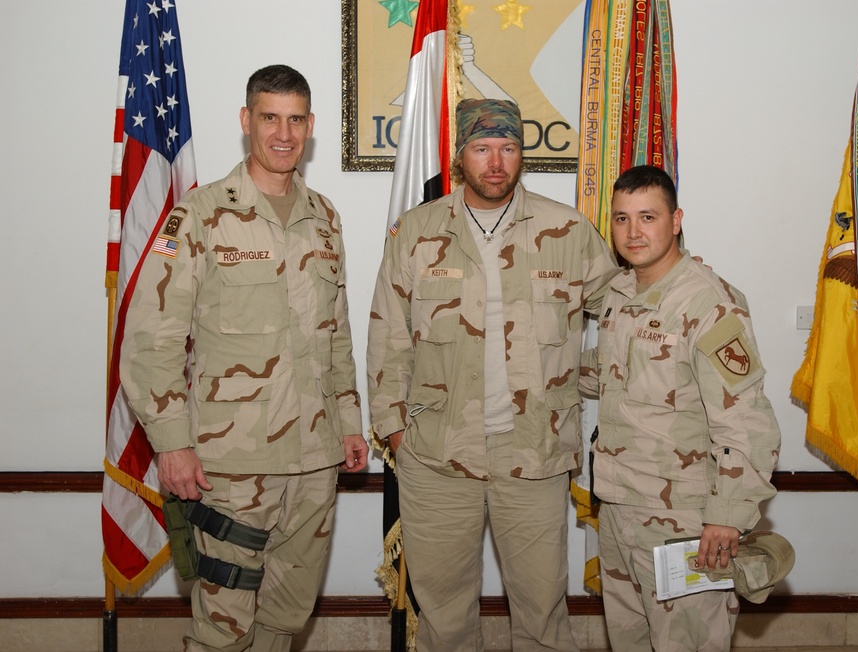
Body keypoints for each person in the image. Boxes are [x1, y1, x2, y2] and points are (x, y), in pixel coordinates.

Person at [119, 64, 369, 652]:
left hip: (314, 458)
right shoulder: (200, 216)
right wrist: (171, 443)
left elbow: (336, 333)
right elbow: (151, 337)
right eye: (268, 118)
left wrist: (350, 424)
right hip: (231, 465)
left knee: (286, 618)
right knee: (223, 630)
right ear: (245, 121)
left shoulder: (324, 219)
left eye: (295, 119)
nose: (283, 133)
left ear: (310, 126)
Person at [367, 98, 620, 651]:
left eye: (508, 148)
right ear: (461, 157)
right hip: (436, 456)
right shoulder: (415, 231)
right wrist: (394, 429)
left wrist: (585, 376)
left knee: (543, 613)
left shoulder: (568, 230)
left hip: (533, 453)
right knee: (444, 617)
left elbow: (626, 312)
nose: (496, 162)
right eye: (482, 149)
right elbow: (388, 334)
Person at [580, 165, 781, 651]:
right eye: (622, 218)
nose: (634, 231)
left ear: (676, 220)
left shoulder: (708, 303)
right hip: (620, 508)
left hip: (685, 521)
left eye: (648, 216)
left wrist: (727, 517)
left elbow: (747, 421)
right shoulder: (619, 295)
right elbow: (605, 374)